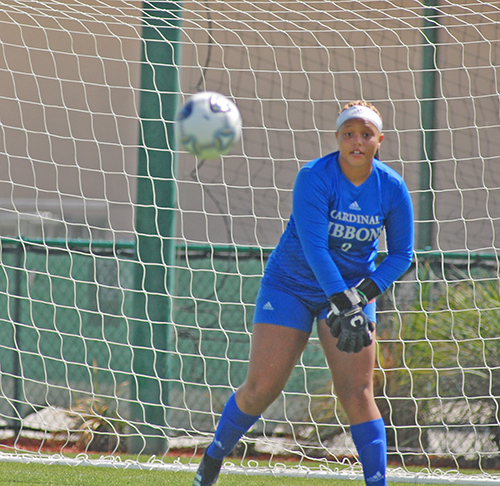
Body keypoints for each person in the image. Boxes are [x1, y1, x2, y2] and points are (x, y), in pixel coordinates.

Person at [192, 101, 414, 486]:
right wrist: (342, 298)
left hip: (353, 292)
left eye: (365, 134)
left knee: (358, 392)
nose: (356, 141)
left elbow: (401, 255)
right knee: (261, 389)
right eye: (348, 134)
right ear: (337, 139)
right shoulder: (314, 176)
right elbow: (315, 248)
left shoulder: (392, 187)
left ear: (380, 140)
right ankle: (211, 461)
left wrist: (359, 296)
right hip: (292, 284)